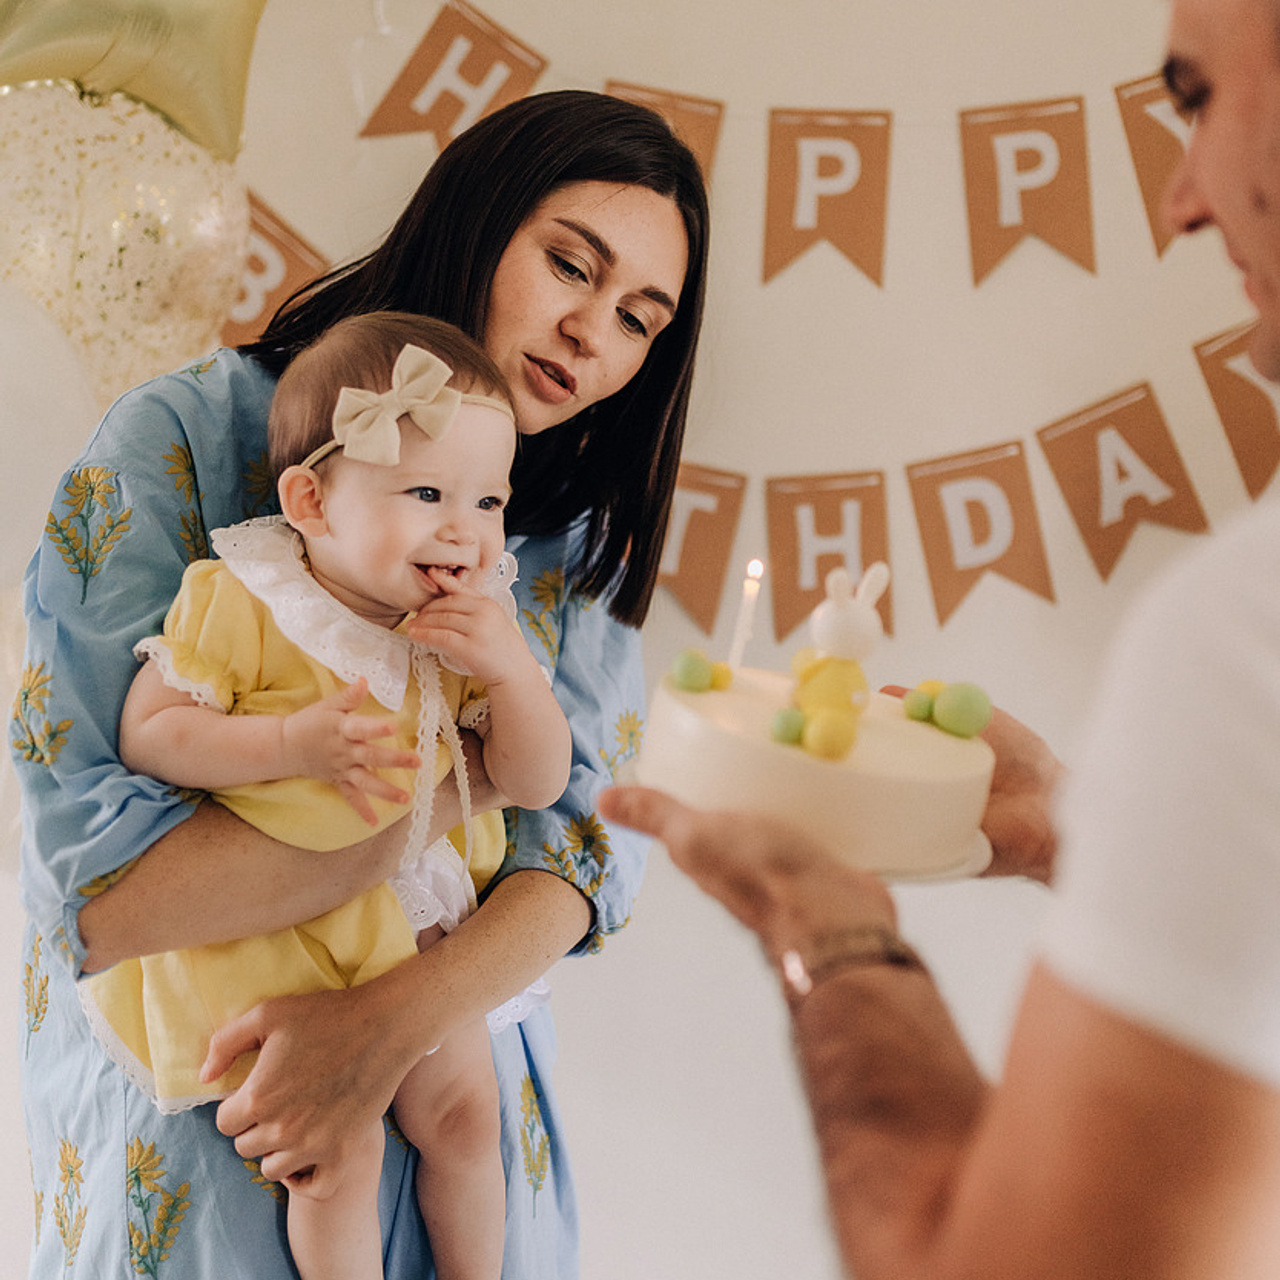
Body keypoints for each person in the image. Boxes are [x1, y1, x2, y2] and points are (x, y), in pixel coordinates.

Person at [602, 1, 1280, 1275]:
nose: (1179, 201)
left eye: (1195, 96)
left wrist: (827, 927)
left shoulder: (1240, 634)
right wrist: (1079, 827)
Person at [14, 89, 707, 1279]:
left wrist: (384, 1027)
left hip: (468, 1158)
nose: (594, 332)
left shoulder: (559, 536)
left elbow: (582, 859)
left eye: (639, 317)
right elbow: (101, 891)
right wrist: (448, 792)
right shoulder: (187, 442)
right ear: (478, 218)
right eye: (570, 265)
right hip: (216, 1147)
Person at [92, 311, 572, 1280]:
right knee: (333, 1153)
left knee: (466, 1115)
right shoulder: (246, 598)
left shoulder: (469, 627)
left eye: (488, 501)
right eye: (427, 491)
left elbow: (532, 781)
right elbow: (153, 731)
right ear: (311, 501)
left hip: (417, 926)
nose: (464, 530)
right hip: (282, 932)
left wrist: (514, 676)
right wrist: (284, 741)